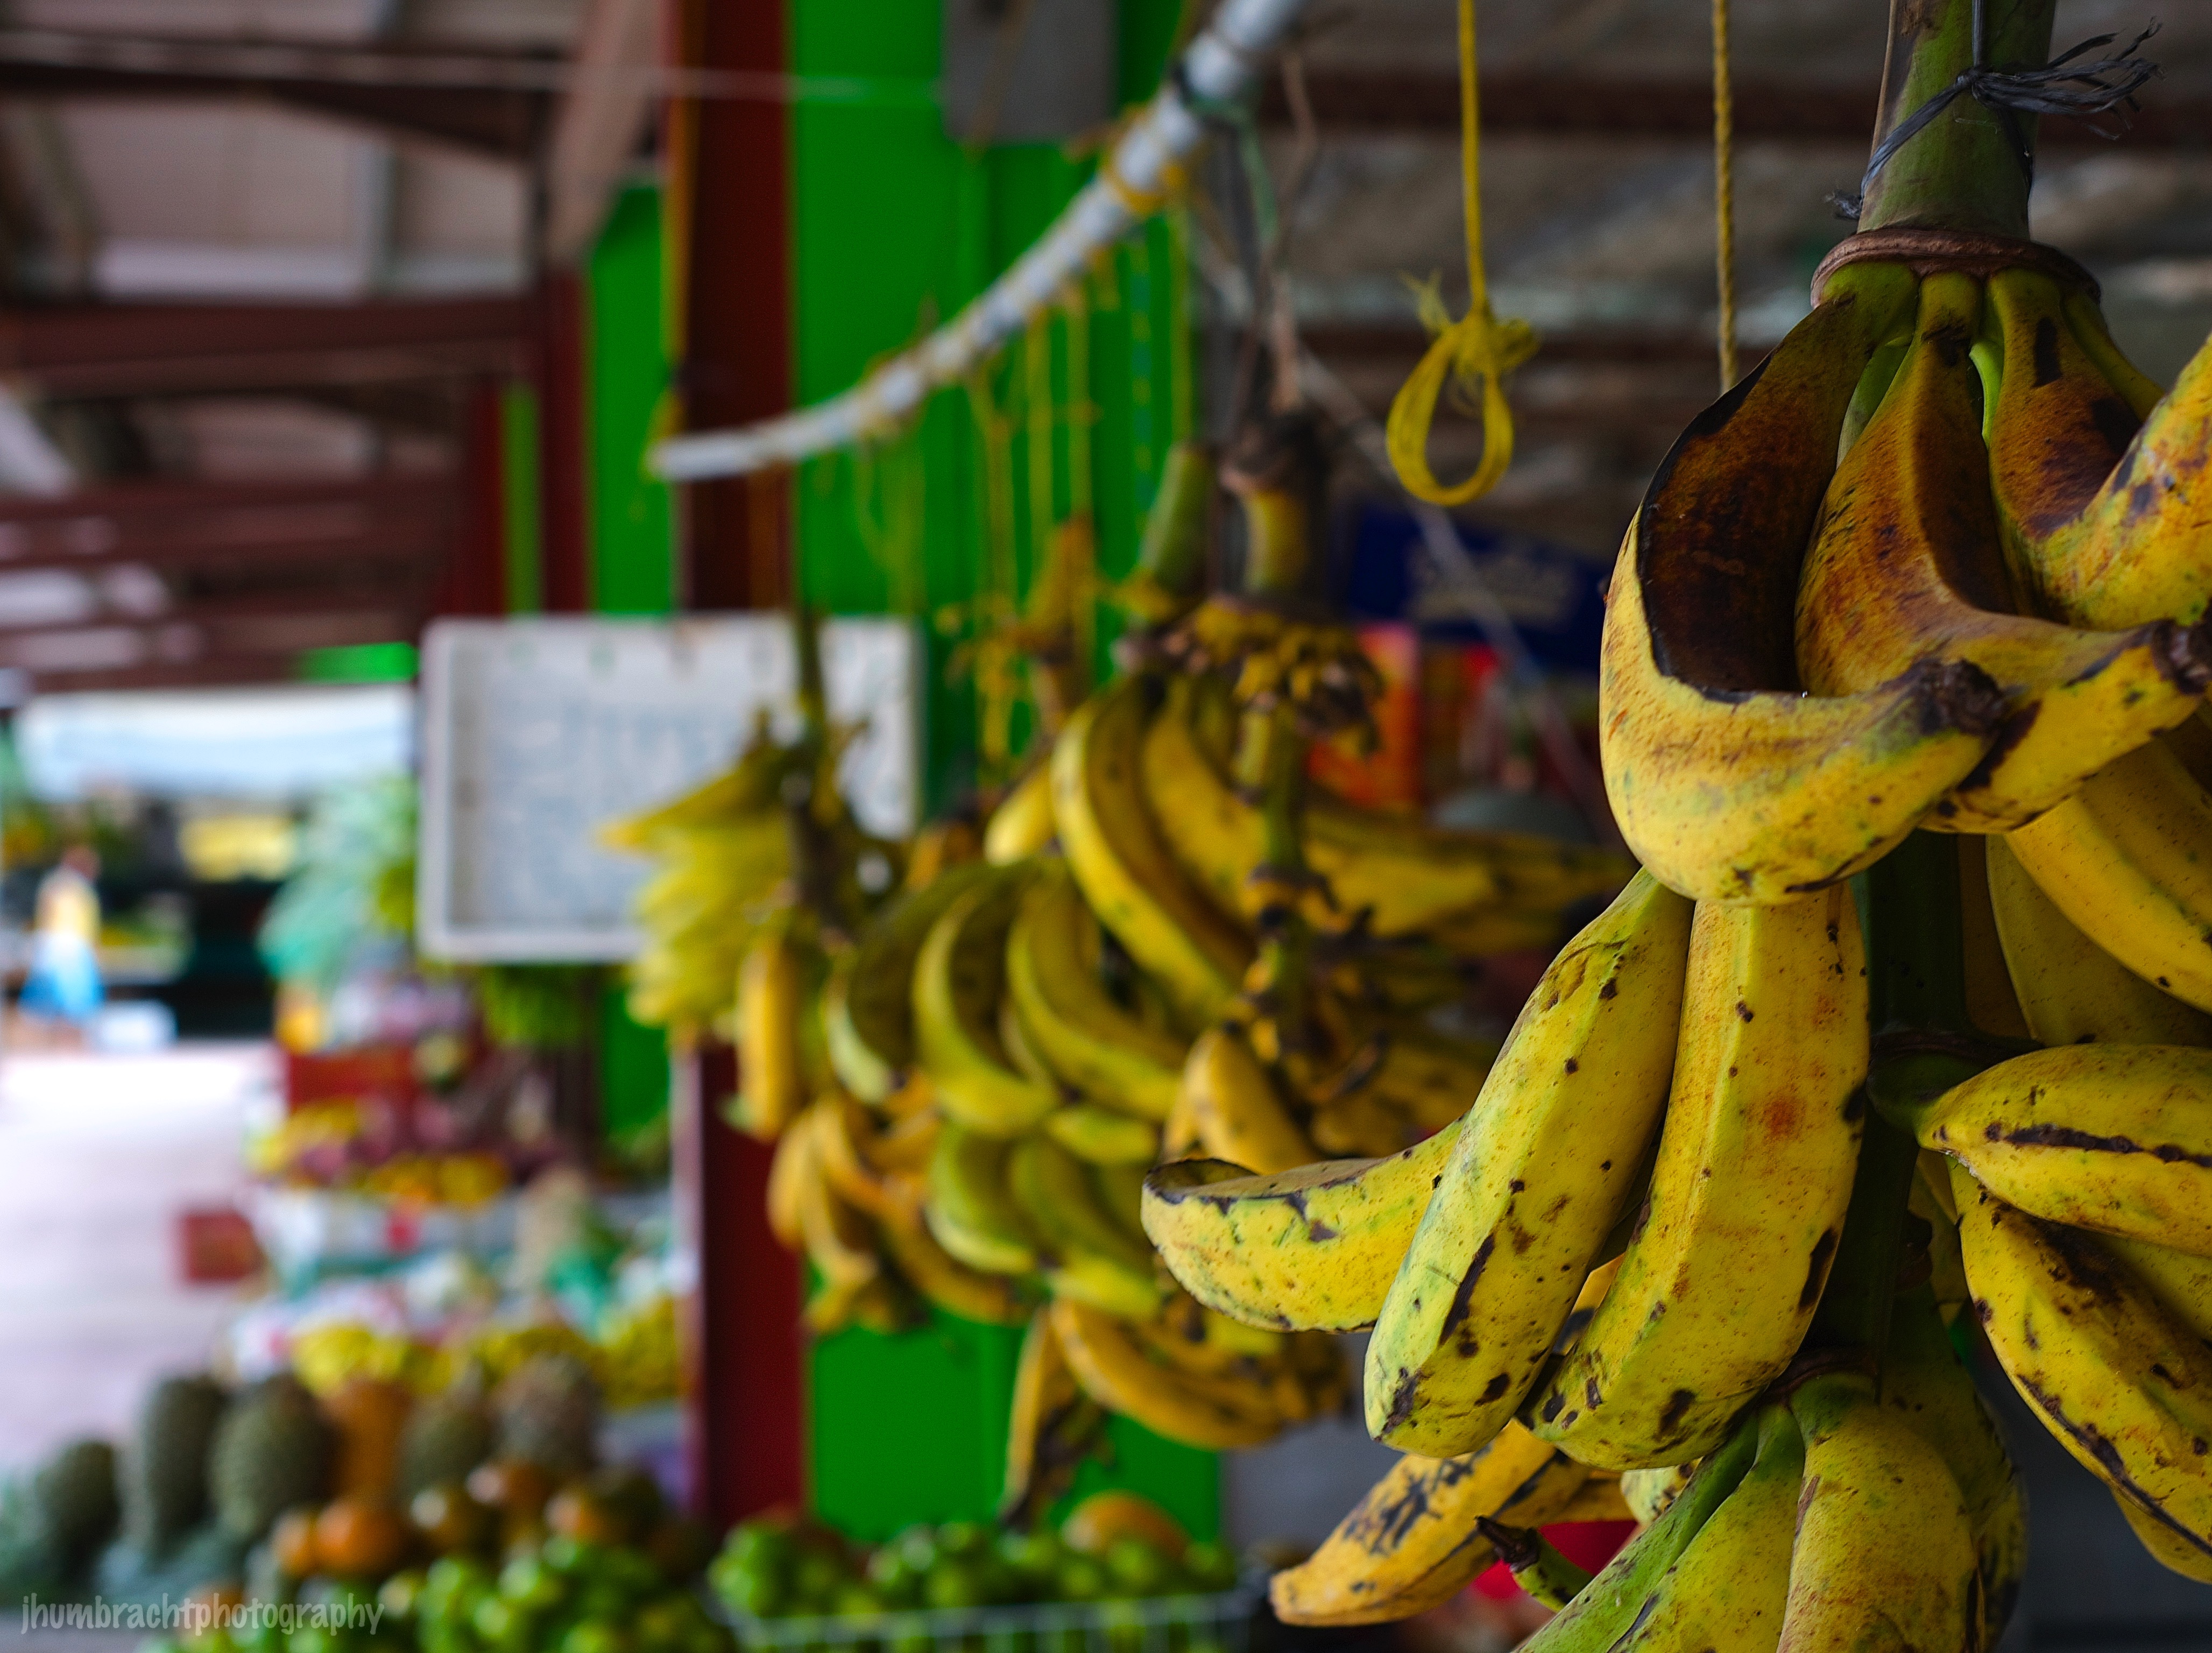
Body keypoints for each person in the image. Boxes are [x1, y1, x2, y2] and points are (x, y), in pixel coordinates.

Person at [20, 844, 103, 1036]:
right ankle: (65, 1038)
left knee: (58, 1000)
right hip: (67, 946)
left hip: (62, 944)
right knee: (68, 1000)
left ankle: (60, 1038)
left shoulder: (57, 884)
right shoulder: (69, 886)